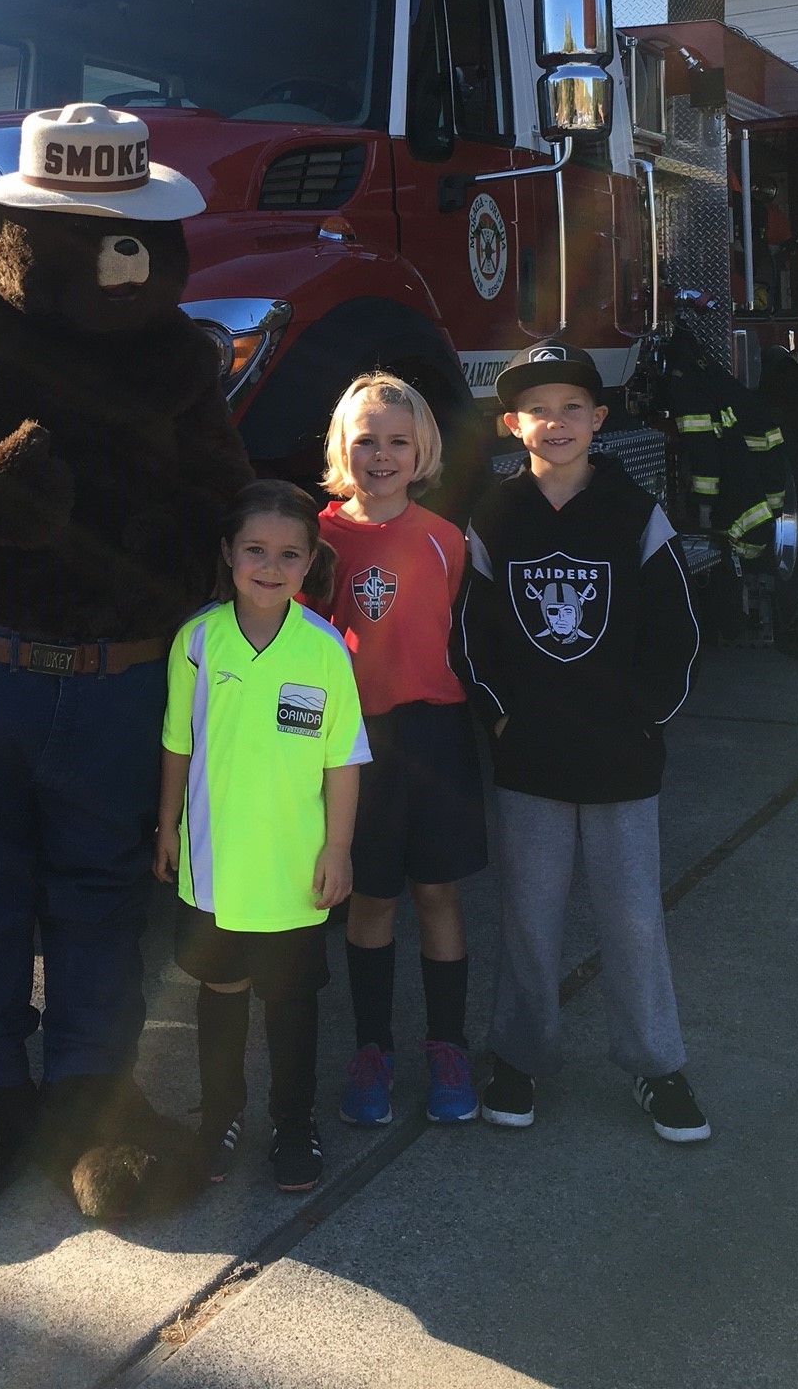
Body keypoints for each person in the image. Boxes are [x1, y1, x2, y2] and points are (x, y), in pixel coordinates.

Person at [462, 341, 710, 1144]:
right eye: (539, 408)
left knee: (634, 920)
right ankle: (519, 1059)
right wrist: (501, 716)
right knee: (528, 918)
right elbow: (471, 637)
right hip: (529, 762)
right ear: (513, 424)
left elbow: (678, 633)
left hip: (620, 762)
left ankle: (657, 1065)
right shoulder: (495, 517)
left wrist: (645, 718)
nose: (557, 421)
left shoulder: (637, 514)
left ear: (599, 420)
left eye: (574, 406)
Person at [155, 480, 369, 1194]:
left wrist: (337, 849)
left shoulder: (324, 649)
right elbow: (177, 746)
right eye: (255, 550)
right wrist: (166, 825)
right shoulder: (198, 640)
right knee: (220, 991)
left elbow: (344, 761)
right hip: (213, 867)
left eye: (288, 554)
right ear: (228, 553)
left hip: (292, 870)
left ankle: (293, 1120)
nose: (270, 567)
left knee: (290, 1002)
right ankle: (220, 1116)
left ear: (310, 562)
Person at [317, 374, 486, 1129]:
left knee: (439, 894)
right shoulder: (318, 538)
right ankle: (372, 1049)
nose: (381, 455)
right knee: (371, 898)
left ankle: (447, 1047)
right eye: (365, 441)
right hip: (358, 745)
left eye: (396, 441)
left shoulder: (447, 538)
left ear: (422, 450)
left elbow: (461, 637)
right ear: (341, 449)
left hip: (436, 735)